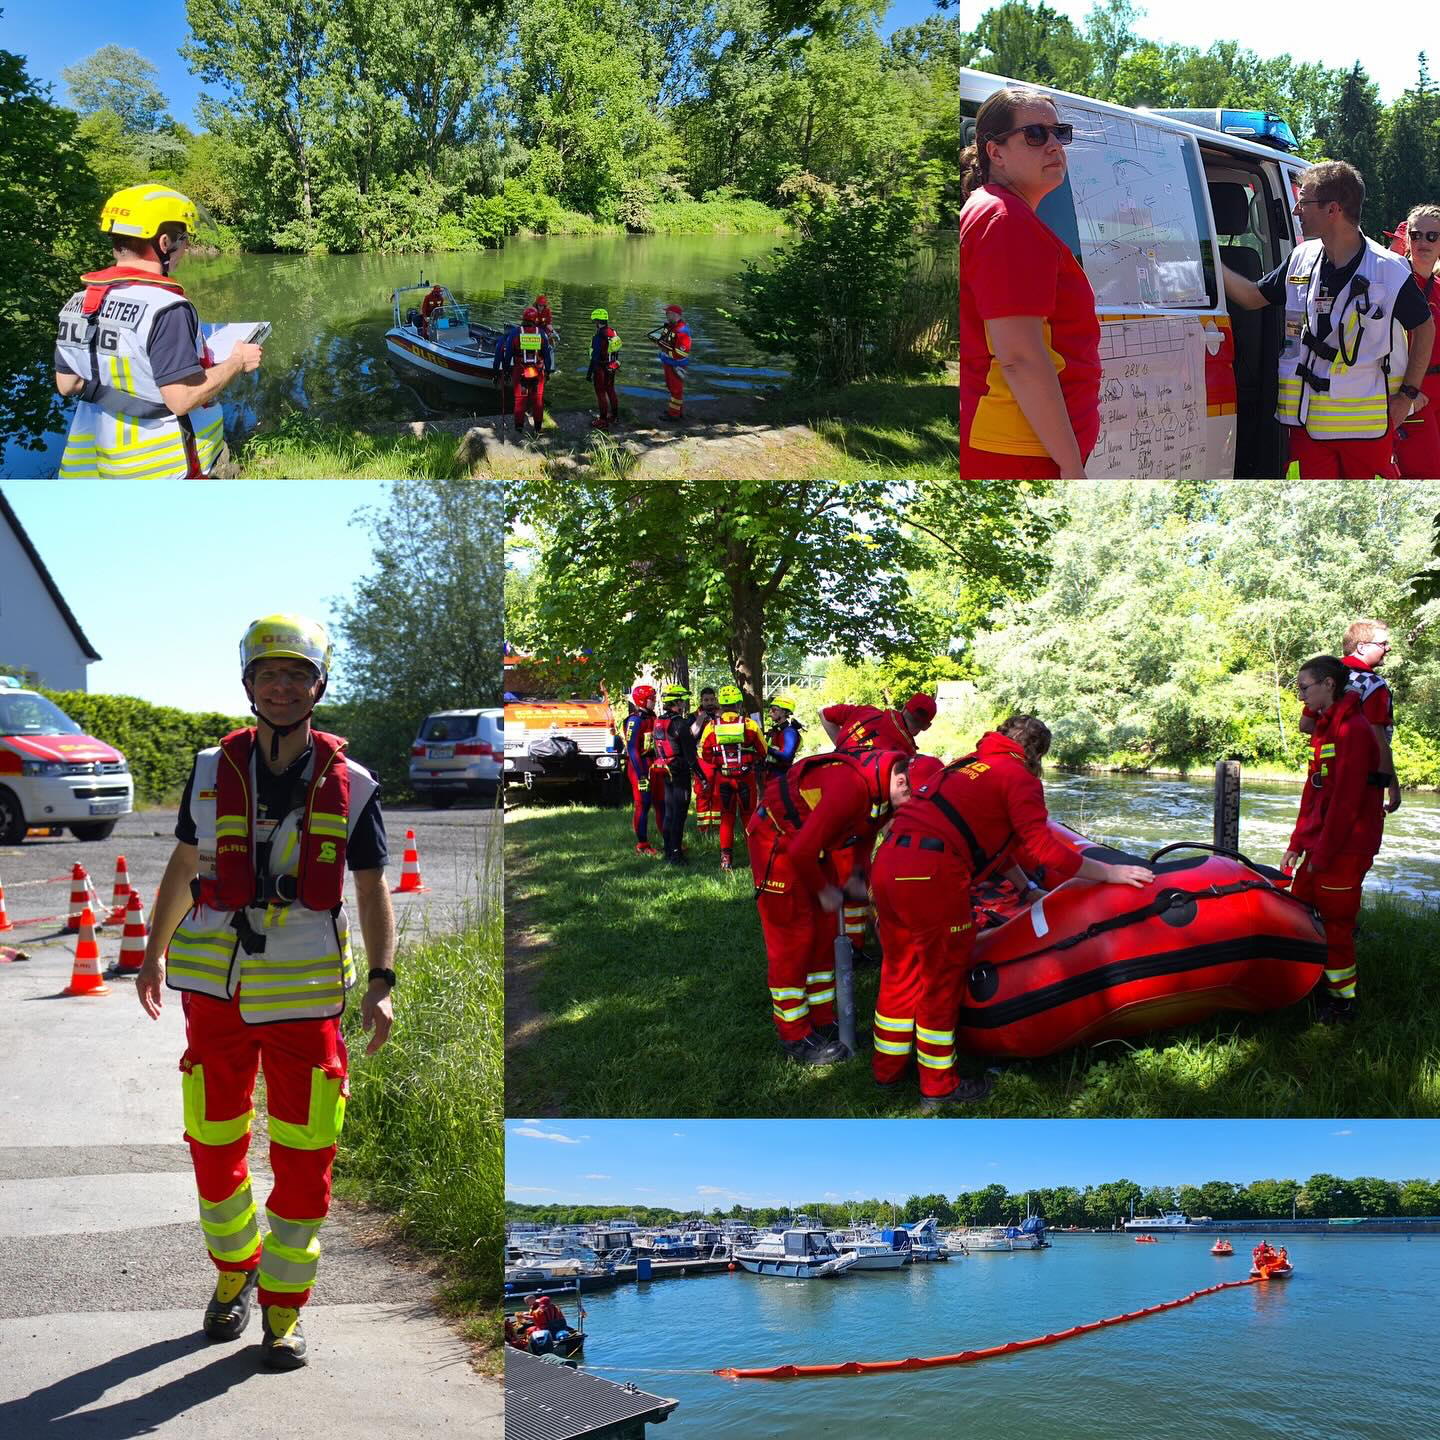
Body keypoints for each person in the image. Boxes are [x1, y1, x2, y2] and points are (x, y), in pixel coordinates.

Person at [135, 615, 396, 1369]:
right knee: (214, 1148)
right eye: (268, 675)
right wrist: (152, 954)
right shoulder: (211, 768)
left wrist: (381, 983)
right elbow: (186, 865)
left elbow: (373, 892)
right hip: (213, 992)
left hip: (307, 998)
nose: (282, 688)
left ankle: (284, 1312)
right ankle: (233, 1272)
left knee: (306, 1158)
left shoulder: (355, 785)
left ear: (319, 685)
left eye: (296, 675)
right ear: (248, 684)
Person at [870, 716, 1151, 1111]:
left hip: (890, 864)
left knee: (900, 971)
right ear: (1036, 753)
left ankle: (887, 1071)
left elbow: (987, 839)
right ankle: (939, 1087)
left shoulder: (968, 764)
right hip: (932, 875)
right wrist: (1110, 872)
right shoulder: (1018, 778)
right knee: (941, 979)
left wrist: (1026, 888)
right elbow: (1045, 850)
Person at [1221, 162, 1435, 479]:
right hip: (1307, 427)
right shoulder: (1302, 257)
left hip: (1366, 431)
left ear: (1333, 208)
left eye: (1303, 201)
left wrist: (1407, 396)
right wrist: (1207, 263)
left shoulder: (1388, 269)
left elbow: (1424, 327)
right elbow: (1253, 297)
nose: (1296, 211)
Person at [54, 184, 262, 478]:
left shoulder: (80, 302)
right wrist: (237, 361)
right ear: (165, 243)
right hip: (166, 470)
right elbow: (182, 398)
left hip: (97, 468)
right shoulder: (167, 308)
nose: (186, 247)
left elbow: (67, 384)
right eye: (184, 239)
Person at [960, 89, 1099, 480]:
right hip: (1020, 446)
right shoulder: (1005, 219)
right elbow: (1020, 358)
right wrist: (1070, 465)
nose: (1054, 145)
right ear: (996, 152)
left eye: (1060, 133)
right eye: (1036, 134)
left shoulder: (996, 210)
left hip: (1021, 440)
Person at [748, 749, 914, 1066]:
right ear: (902, 780)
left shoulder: (883, 790)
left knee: (825, 933)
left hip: (811, 844)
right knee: (793, 938)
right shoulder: (851, 787)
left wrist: (854, 876)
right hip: (778, 844)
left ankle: (823, 1020)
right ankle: (794, 1033)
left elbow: (862, 835)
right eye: (913, 797)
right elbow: (799, 852)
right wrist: (824, 890)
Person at [1284, 654, 1386, 1024]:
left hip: (1346, 847)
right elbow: (1314, 793)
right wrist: (1297, 844)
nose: (1301, 697)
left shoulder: (1354, 730)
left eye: (1304, 688)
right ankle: (1307, 986)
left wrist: (1322, 854)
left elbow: (1346, 802)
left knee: (1335, 925)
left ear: (1329, 684)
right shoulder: (1327, 729)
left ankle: (1342, 1003)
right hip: (1322, 844)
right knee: (1299, 909)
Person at [1300, 619, 1401, 816]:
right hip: (1359, 781)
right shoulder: (1373, 684)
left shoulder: (1325, 675)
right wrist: (1392, 784)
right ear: (1361, 647)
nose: (1388, 648)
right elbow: (1378, 740)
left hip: (1322, 777)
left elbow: (1305, 725)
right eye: (1383, 644)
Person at [1391, 206, 1440, 477]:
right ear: (1407, 239)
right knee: (1427, 475)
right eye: (1416, 235)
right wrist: (1407, 395)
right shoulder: (1392, 284)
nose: (1423, 242)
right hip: (1414, 398)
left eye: (1432, 236)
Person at [698, 684, 766, 871]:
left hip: (724, 778)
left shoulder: (712, 726)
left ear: (721, 704)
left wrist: (718, 762)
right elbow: (763, 750)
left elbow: (703, 752)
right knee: (748, 817)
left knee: (726, 818)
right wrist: (749, 759)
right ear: (738, 704)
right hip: (746, 777)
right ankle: (755, 858)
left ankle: (726, 860)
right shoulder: (750, 724)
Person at [650, 683, 697, 864]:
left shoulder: (659, 721)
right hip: (679, 771)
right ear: (676, 702)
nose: (684, 704)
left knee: (669, 812)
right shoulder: (679, 723)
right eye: (682, 700)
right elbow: (690, 754)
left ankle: (668, 851)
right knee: (679, 814)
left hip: (665, 769)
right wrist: (700, 775)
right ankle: (676, 854)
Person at [623, 684, 665, 856]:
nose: (654, 701)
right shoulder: (634, 720)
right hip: (639, 765)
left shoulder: (653, 717)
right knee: (644, 803)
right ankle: (642, 844)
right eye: (651, 699)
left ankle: (668, 839)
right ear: (642, 699)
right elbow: (632, 749)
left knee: (661, 803)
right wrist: (641, 775)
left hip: (654, 763)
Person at [821, 694, 936, 756]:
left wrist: (841, 749)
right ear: (926, 727)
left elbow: (823, 713)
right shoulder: (907, 756)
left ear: (904, 707)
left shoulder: (866, 712)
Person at [502, 306, 553, 436]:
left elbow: (508, 355)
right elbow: (547, 355)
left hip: (520, 371)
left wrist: (506, 371)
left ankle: (519, 427)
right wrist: (547, 372)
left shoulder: (515, 333)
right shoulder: (541, 333)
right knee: (537, 400)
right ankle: (537, 428)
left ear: (523, 319)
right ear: (535, 320)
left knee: (520, 400)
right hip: (537, 371)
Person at [690, 686, 721, 836]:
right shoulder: (694, 716)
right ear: (701, 701)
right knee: (703, 794)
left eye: (711, 699)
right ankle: (703, 830)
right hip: (702, 761)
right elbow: (690, 736)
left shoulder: (721, 714)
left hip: (720, 759)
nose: (709, 703)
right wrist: (701, 718)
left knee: (718, 794)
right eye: (706, 700)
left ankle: (716, 829)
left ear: (715, 699)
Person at [586, 307, 623, 430]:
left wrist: (589, 373)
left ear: (597, 321)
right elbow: (616, 351)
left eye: (594, 321)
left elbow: (594, 357)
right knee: (611, 390)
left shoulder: (598, 337)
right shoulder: (613, 332)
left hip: (601, 368)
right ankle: (615, 416)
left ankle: (602, 420)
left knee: (601, 393)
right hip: (612, 366)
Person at [656, 304, 692, 422]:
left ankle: (674, 415)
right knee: (673, 388)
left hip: (676, 365)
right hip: (669, 362)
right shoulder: (671, 327)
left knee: (676, 390)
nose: (666, 315)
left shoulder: (682, 331)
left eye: (668, 313)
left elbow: (681, 353)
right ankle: (676, 412)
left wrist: (665, 352)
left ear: (675, 314)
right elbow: (664, 341)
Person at [764, 694, 804, 775]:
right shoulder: (777, 730)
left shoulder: (789, 732)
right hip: (771, 772)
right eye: (770, 710)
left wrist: (764, 747)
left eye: (774, 710)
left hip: (782, 775)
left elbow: (786, 756)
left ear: (784, 712)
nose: (770, 713)